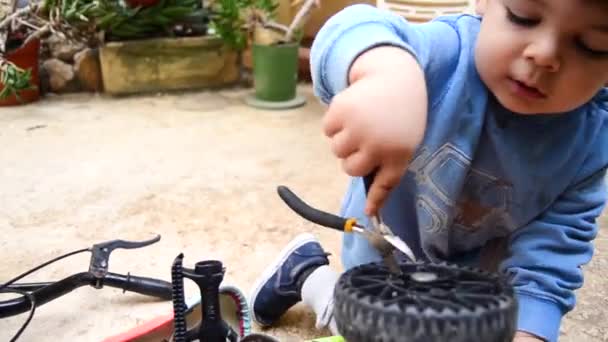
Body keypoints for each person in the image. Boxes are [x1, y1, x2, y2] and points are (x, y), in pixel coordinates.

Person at [249, 1, 608, 341]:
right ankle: (310, 277)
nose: (544, 54)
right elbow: (350, 28)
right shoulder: (445, 54)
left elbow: (550, 258)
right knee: (373, 330)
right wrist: (385, 73)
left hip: (470, 292)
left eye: (593, 45)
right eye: (523, 15)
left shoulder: (592, 143)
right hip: (380, 267)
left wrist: (528, 331)